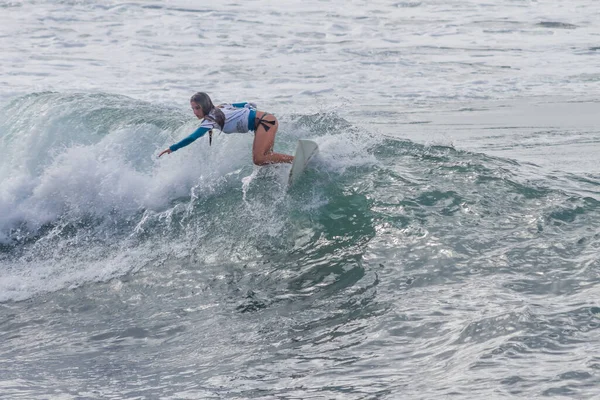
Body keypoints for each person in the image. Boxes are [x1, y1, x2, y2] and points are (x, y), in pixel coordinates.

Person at [158, 92, 294, 165]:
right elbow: (248, 104)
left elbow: (193, 137)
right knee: (266, 160)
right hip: (263, 123)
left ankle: (295, 160)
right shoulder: (220, 107)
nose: (195, 112)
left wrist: (173, 148)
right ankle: (285, 166)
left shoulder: (210, 120)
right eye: (193, 108)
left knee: (259, 159)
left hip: (264, 123)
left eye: (197, 108)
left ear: (205, 105)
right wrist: (247, 110)